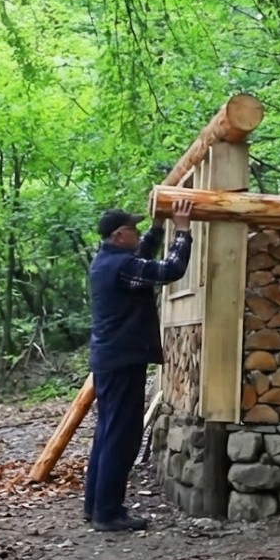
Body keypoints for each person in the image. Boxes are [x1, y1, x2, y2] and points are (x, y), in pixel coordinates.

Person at [83, 198, 195, 532]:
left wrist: (160, 227)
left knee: (107, 433)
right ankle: (108, 513)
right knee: (121, 436)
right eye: (135, 229)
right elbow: (169, 270)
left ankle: (97, 506)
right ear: (120, 236)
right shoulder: (121, 266)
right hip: (121, 360)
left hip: (111, 360)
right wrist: (183, 232)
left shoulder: (109, 261)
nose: (139, 233)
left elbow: (141, 257)